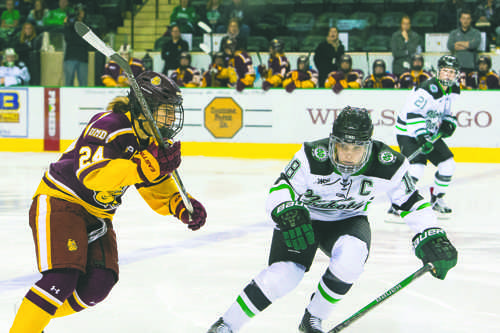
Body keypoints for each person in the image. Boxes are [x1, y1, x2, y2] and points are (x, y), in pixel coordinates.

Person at [207, 106, 458, 333]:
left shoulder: (388, 163)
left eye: (357, 148)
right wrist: (286, 210)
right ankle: (226, 325)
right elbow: (281, 188)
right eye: (343, 147)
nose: (349, 155)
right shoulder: (311, 155)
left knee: (352, 257)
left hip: (348, 219)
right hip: (303, 218)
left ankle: (313, 319)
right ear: (332, 142)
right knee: (285, 276)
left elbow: (412, 202)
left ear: (368, 145)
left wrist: (431, 233)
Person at [9, 71, 207, 332]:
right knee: (63, 277)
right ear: (143, 107)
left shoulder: (149, 139)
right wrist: (144, 166)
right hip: (62, 201)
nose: (170, 118)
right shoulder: (109, 124)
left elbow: (152, 183)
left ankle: (33, 315)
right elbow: (92, 175)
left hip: (99, 215)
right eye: (164, 110)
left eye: (172, 111)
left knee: (98, 284)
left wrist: (180, 204)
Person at [389, 55, 461, 220]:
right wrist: (421, 137)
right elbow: (413, 114)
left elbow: (447, 112)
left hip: (429, 133)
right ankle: (397, 205)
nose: (448, 75)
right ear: (438, 72)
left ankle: (437, 199)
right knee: (417, 168)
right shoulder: (427, 89)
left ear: (456, 74)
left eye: (452, 72)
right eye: (445, 71)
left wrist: (449, 123)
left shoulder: (454, 89)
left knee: (448, 165)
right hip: (408, 132)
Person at [63, 3, 90, 86]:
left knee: (83, 83)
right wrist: (67, 24)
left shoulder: (87, 25)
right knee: (68, 82)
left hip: (83, 57)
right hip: (70, 56)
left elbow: (87, 41)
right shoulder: (70, 24)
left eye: (82, 11)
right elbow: (67, 38)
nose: (80, 13)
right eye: (79, 11)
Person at [447, 10, 481, 75]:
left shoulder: (476, 33)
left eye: (468, 19)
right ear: (460, 20)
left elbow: (474, 45)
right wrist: (468, 45)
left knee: (471, 85)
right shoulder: (454, 33)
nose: (465, 21)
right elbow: (450, 46)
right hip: (456, 67)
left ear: (471, 20)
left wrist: (458, 43)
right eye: (464, 18)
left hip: (471, 67)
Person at [14, 21, 42, 86]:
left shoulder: (36, 40)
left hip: (33, 65)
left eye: (30, 28)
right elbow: (17, 49)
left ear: (32, 30)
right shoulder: (19, 41)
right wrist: (28, 48)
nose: (28, 30)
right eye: (26, 28)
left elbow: (36, 49)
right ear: (23, 30)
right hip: (22, 63)